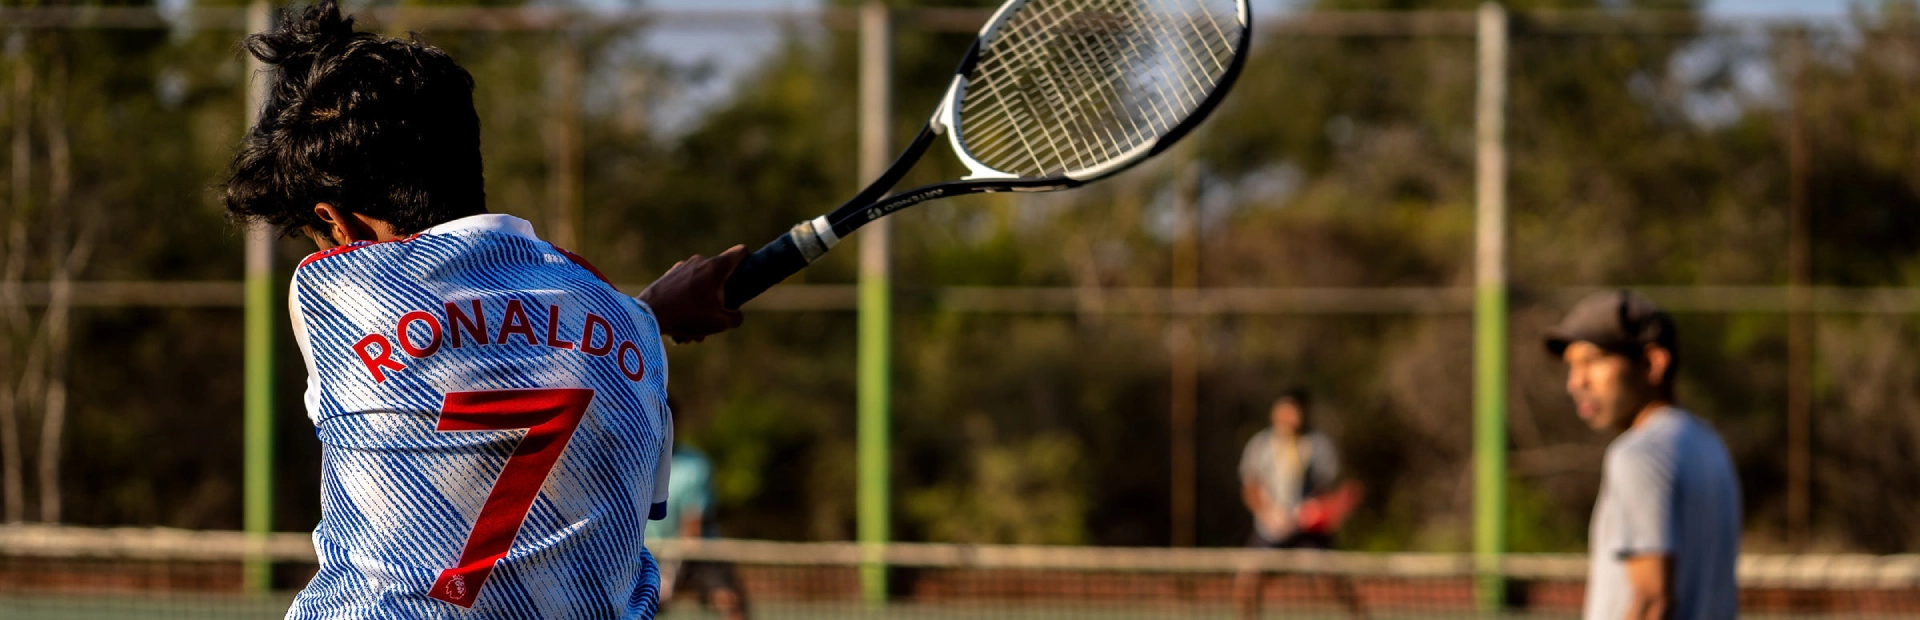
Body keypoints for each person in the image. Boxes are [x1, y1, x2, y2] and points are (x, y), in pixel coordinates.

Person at [223, 2, 746, 617]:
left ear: (335, 223)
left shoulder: (329, 294)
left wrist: (650, 311)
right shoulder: (628, 330)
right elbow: (540, 342)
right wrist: (646, 316)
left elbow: (465, 335)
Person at [1546, 290, 1741, 620]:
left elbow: (1652, 601)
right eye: (1571, 366)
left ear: (1652, 363)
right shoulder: (1710, 445)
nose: (1575, 382)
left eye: (1591, 362)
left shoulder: (1638, 455)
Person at [1234, 389, 1362, 619]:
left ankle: (1360, 615)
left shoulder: (1319, 446)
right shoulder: (1260, 444)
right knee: (1247, 583)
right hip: (1271, 530)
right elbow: (1250, 487)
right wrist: (1268, 513)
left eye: (1293, 412)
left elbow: (1327, 489)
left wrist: (1313, 511)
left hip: (1308, 531)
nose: (1288, 417)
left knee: (1328, 581)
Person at [654, 446, 749, 620]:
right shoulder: (626, 460)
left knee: (727, 599)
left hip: (694, 552)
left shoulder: (695, 466)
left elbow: (692, 532)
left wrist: (668, 574)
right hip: (645, 551)